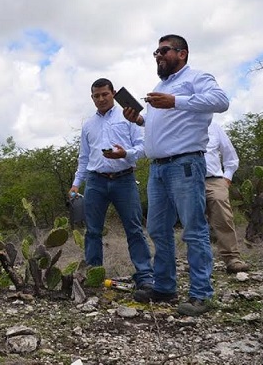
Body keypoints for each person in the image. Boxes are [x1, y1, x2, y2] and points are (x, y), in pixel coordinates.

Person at [123, 34, 229, 317]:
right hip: (157, 168)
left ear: (182, 53)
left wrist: (175, 100)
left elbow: (221, 100)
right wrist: (140, 120)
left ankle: (201, 295)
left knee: (193, 230)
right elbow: (163, 126)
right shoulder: (161, 86)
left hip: (184, 165)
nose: (158, 55)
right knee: (158, 229)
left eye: (163, 50)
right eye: (155, 52)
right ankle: (166, 287)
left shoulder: (197, 78)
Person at [69, 78, 153, 290]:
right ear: (92, 98)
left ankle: (145, 275)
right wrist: (76, 183)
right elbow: (84, 157)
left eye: (105, 94)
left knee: (133, 229)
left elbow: (143, 147)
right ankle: (94, 275)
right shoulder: (88, 124)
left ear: (113, 93)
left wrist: (125, 154)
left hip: (124, 178)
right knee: (93, 231)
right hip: (96, 181)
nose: (101, 99)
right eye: (96, 96)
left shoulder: (128, 116)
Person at [205, 121, 250, 273]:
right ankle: (198, 261)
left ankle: (232, 258)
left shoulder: (214, 126)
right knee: (192, 220)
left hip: (214, 179)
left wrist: (227, 176)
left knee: (223, 216)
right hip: (186, 179)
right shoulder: (177, 122)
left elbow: (229, 153)